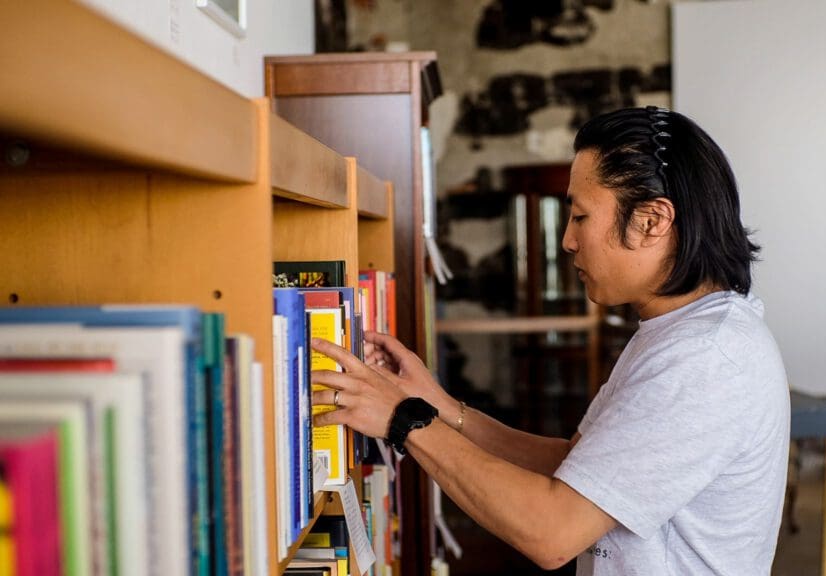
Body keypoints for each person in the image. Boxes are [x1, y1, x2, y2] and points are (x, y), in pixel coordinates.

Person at [309, 106, 790, 575]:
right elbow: (577, 466)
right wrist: (437, 405)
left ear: (652, 220)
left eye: (580, 217)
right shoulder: (679, 332)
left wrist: (403, 420)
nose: (567, 240)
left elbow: (552, 533)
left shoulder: (704, 357)